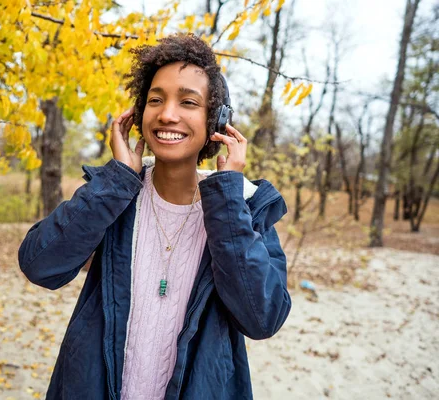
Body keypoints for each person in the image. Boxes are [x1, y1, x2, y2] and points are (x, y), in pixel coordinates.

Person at [18, 33, 291, 400]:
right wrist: (117, 180)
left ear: (218, 121)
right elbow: (39, 265)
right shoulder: (115, 194)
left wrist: (227, 200)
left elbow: (262, 319)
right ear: (137, 113)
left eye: (188, 102)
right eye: (155, 100)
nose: (167, 114)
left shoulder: (245, 206)